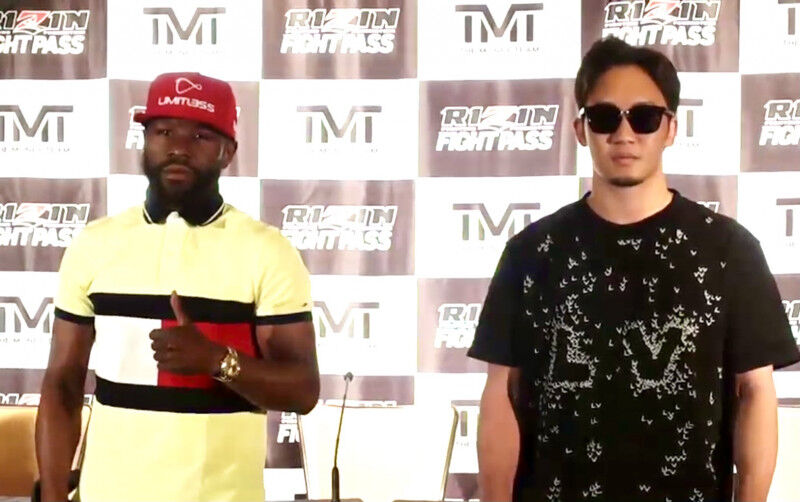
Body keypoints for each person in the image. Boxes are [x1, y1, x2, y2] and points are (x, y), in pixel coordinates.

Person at [469, 37, 800, 502]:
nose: (624, 134)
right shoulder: (531, 253)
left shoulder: (729, 250)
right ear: (580, 129)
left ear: (671, 128)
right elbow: (500, 394)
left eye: (644, 117)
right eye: (605, 117)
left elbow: (757, 393)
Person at [35, 72, 320, 502]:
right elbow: (62, 384)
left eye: (201, 135)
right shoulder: (94, 244)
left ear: (228, 152)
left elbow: (302, 390)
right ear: (144, 141)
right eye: (164, 131)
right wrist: (54, 494)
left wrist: (217, 360)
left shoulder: (268, 251)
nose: (179, 148)